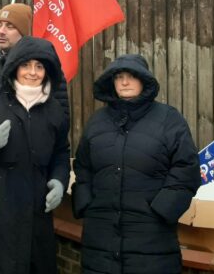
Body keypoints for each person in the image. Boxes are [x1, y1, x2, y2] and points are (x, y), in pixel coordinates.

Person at [72, 54, 201, 274]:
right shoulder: (97, 122)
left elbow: (186, 169)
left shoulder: (169, 119)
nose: (124, 82)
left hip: (152, 242)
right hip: (100, 240)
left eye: (131, 76)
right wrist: (86, 203)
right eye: (119, 77)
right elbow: (83, 167)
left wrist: (161, 212)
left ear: (144, 80)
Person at [0, 36, 70, 274]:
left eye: (39, 66)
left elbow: (61, 152)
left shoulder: (54, 110)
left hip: (37, 215)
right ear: (15, 66)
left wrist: (59, 180)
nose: (32, 72)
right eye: (26, 65)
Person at [0, 3, 69, 124]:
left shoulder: (44, 67)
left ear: (24, 33)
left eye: (10, 27)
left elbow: (62, 116)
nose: (1, 31)